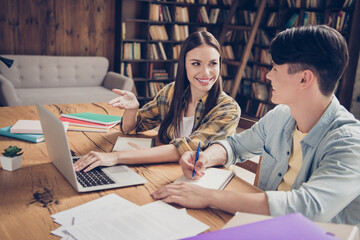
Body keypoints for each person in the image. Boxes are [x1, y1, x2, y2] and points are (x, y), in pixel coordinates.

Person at [152, 25, 360, 227]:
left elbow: (307, 207)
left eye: (275, 68)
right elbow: (234, 146)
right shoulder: (280, 116)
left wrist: (208, 197)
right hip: (261, 226)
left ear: (304, 78)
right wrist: (206, 158)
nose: (268, 75)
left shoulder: (350, 143)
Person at [74, 31, 240, 172]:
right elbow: (130, 128)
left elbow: (184, 149)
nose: (206, 72)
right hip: (165, 169)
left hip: (202, 179)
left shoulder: (228, 109)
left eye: (213, 64)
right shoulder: (172, 92)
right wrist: (133, 109)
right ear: (184, 65)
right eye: (196, 64)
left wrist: (115, 157)